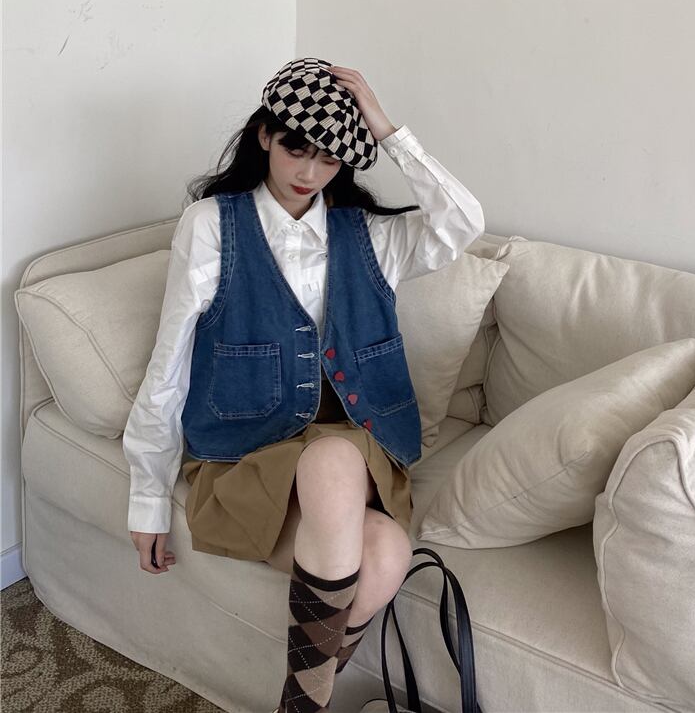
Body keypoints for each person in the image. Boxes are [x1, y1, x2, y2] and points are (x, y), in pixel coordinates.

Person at [123, 56, 484, 713]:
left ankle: (298, 704)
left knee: (357, 501)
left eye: (329, 158)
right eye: (296, 148)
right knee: (378, 542)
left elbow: (462, 223)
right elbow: (169, 362)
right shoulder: (211, 226)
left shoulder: (370, 237)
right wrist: (148, 494)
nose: (309, 173)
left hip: (357, 451)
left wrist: (385, 128)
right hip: (247, 452)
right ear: (264, 134)